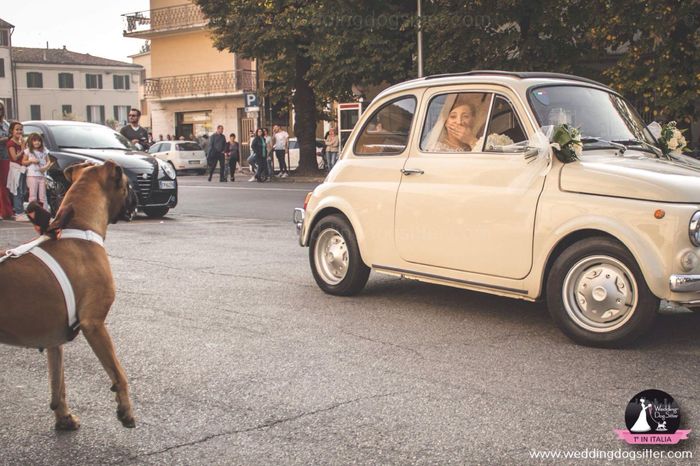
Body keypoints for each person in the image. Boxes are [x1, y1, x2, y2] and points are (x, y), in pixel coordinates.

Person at [6, 121, 28, 221]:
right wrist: (23, 149)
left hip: (23, 168)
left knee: (23, 190)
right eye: (17, 129)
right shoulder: (11, 143)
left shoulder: (22, 141)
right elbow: (14, 157)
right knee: (17, 190)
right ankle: (19, 212)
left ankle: (21, 210)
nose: (19, 131)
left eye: (20, 129)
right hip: (15, 169)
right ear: (12, 131)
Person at [23, 132, 52, 208]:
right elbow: (23, 162)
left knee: (43, 195)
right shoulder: (28, 151)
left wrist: (45, 167)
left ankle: (44, 211)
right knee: (33, 195)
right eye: (34, 140)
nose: (37, 142)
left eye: (39, 140)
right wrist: (31, 161)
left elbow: (49, 161)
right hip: (32, 176)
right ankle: (33, 213)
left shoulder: (44, 150)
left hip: (42, 176)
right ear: (31, 141)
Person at [0, 102, 13, 219]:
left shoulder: (6, 124)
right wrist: (5, 139)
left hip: (5, 157)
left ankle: (6, 212)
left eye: (1, 109)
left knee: (4, 185)